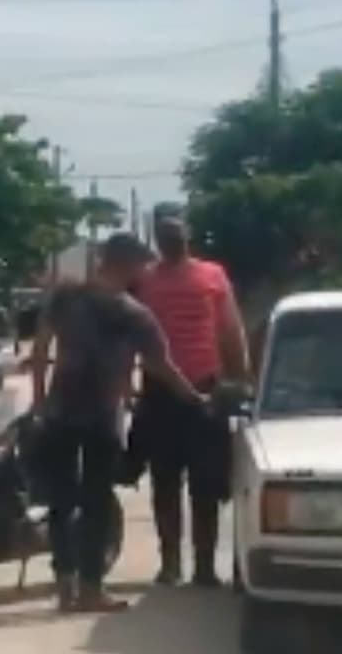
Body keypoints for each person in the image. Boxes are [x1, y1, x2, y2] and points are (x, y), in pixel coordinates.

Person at [32, 232, 205, 613]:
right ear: (129, 266)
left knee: (61, 501)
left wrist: (39, 401)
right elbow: (162, 366)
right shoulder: (134, 314)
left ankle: (65, 587)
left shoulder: (65, 297)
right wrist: (195, 397)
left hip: (61, 410)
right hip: (101, 417)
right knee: (95, 503)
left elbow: (40, 349)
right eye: (141, 266)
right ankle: (90, 589)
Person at [133, 206, 250, 587]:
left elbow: (231, 331)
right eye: (166, 232)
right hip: (159, 391)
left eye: (177, 231)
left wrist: (240, 379)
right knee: (165, 480)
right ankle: (170, 563)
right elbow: (129, 330)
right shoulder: (144, 279)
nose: (172, 238)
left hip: (206, 389)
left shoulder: (212, 276)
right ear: (157, 240)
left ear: (187, 236)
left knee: (206, 482)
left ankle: (203, 565)